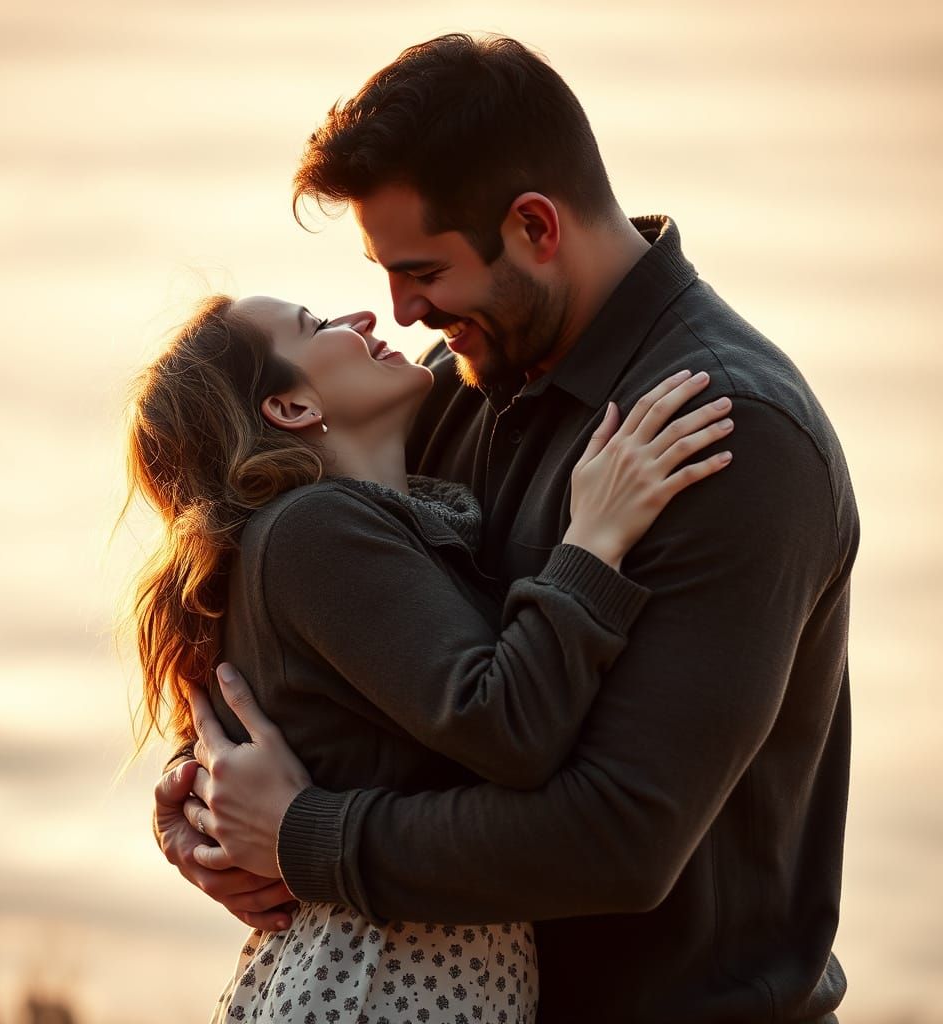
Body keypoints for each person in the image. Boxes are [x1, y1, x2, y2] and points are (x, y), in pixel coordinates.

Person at [156, 34, 858, 1023]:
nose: (401, 311)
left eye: (423, 271)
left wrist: (305, 837)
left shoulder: (722, 434)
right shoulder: (450, 393)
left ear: (533, 226)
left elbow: (617, 841)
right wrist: (200, 795)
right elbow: (321, 639)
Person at [128, 293, 733, 1023]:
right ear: (290, 408)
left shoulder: (357, 524)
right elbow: (506, 727)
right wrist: (594, 540)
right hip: (374, 985)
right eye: (317, 326)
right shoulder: (314, 528)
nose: (363, 318)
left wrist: (195, 803)